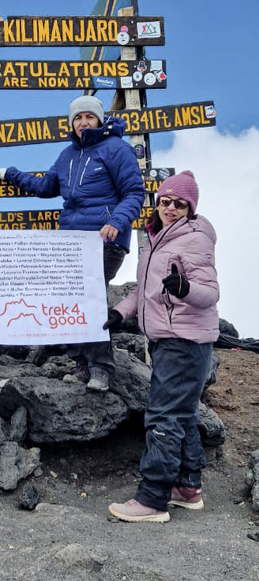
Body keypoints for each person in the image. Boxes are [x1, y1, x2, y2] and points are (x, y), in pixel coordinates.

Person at [0, 95, 146, 391]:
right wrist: (11, 175)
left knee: (90, 297)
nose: (83, 122)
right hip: (70, 243)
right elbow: (45, 186)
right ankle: (80, 365)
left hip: (105, 239)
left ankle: (101, 368)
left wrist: (116, 222)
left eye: (89, 116)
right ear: (71, 123)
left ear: (100, 119)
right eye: (77, 118)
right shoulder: (66, 155)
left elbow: (135, 193)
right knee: (68, 301)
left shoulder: (117, 149)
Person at [105, 171, 219, 523]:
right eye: (165, 201)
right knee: (182, 414)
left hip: (184, 342)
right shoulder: (155, 238)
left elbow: (210, 294)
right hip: (168, 339)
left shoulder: (195, 240)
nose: (170, 207)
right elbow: (143, 292)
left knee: (163, 416)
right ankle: (187, 487)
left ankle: (153, 499)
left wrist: (184, 288)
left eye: (179, 203)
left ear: (190, 207)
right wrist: (120, 312)